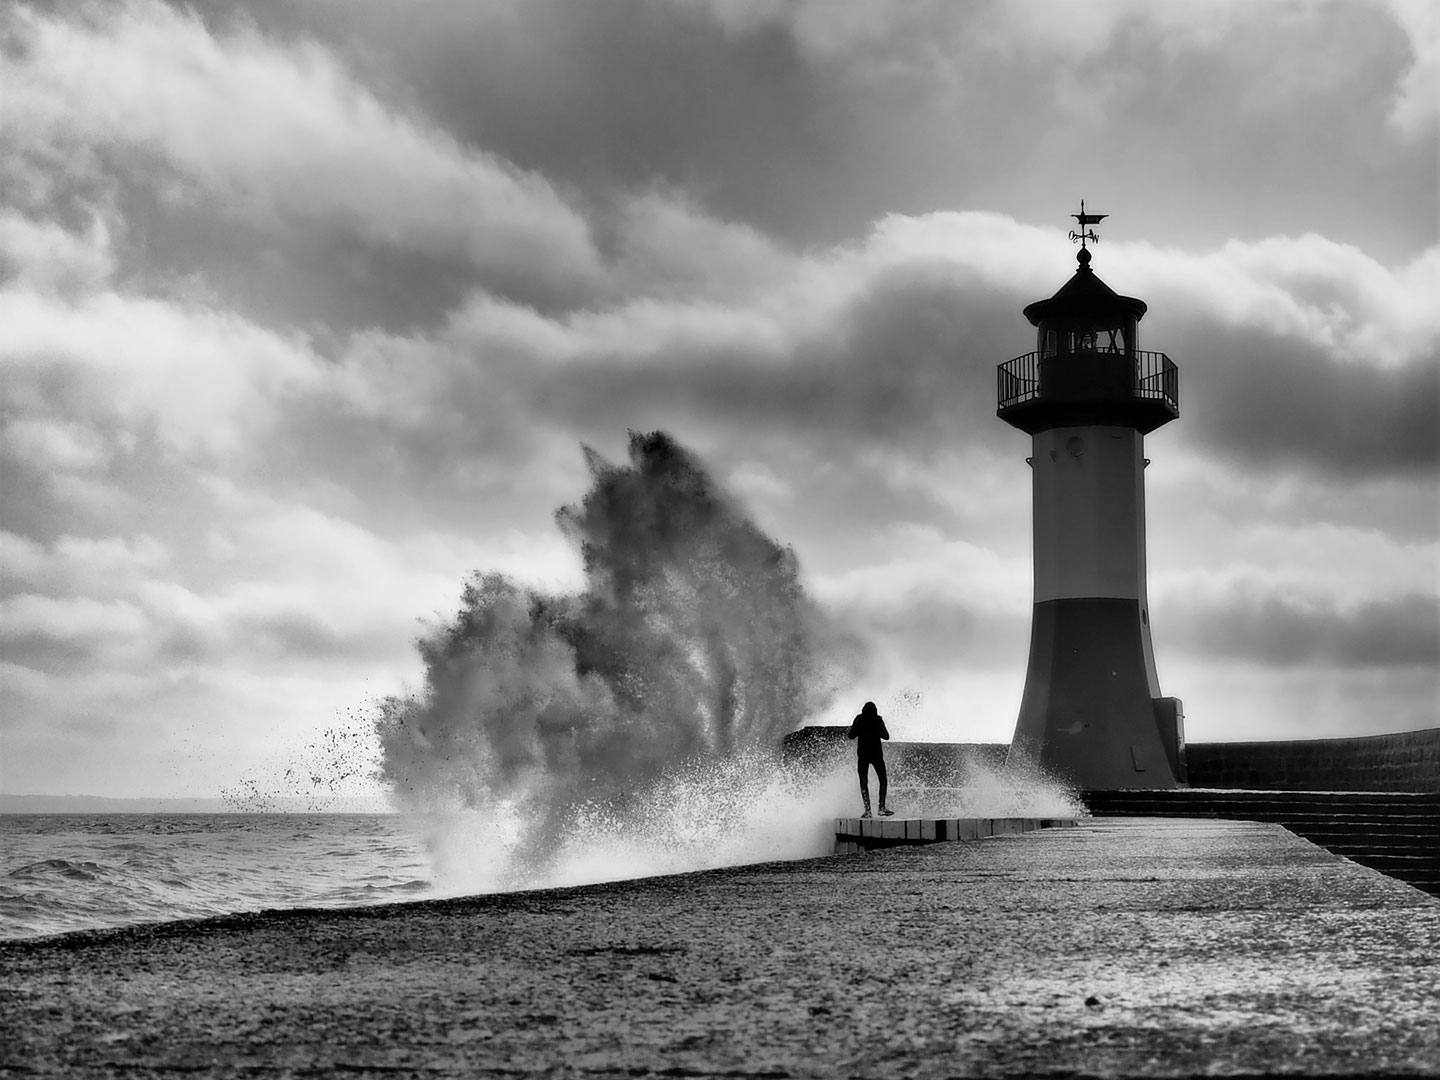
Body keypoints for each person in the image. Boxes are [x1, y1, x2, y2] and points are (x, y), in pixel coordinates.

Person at [847, 701, 893, 818]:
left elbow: (851, 736)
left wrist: (860, 730)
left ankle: (867, 810)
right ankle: (881, 807)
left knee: (863, 782)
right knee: (883, 780)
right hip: (876, 754)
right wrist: (877, 733)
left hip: (863, 755)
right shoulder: (878, 720)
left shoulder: (859, 719)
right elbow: (886, 736)